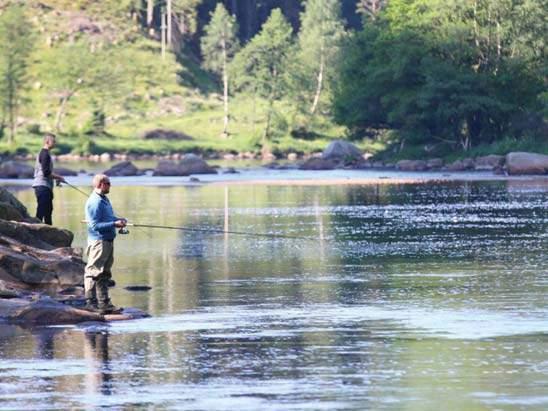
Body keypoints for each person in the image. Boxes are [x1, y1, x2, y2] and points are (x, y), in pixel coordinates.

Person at [84, 174, 126, 314]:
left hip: (108, 241)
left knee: (104, 274)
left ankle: (104, 304)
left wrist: (117, 220)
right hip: (98, 241)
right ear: (101, 184)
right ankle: (90, 303)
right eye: (108, 183)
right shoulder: (94, 202)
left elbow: (107, 218)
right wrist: (114, 224)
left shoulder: (104, 199)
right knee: (93, 272)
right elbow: (95, 225)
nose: (110, 185)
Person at [32, 133, 65, 225]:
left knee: (48, 211)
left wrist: (56, 179)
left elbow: (46, 172)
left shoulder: (45, 153)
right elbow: (46, 173)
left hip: (44, 187)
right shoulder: (45, 154)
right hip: (42, 186)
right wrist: (59, 177)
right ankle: (36, 231)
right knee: (42, 211)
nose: (55, 143)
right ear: (47, 141)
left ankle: (49, 232)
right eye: (53, 141)